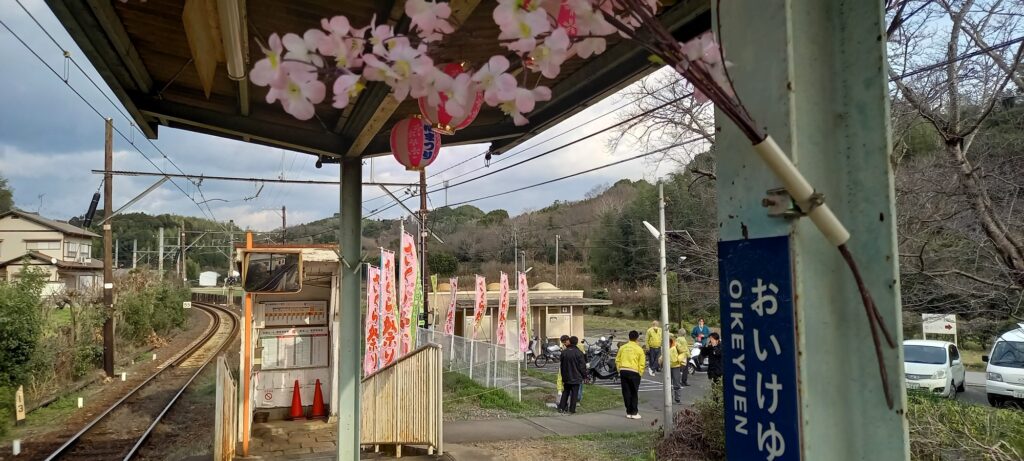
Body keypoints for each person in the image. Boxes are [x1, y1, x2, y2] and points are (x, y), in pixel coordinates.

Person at [615, 330, 646, 419]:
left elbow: (617, 359)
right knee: (634, 392)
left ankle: (628, 411)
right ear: (637, 338)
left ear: (629, 337)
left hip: (623, 370)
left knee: (626, 392)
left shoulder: (622, 347)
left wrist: (619, 369)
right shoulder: (639, 349)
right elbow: (642, 362)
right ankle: (634, 412)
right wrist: (640, 372)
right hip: (634, 371)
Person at [558, 335, 587, 414]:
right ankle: (572, 409)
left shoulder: (564, 352)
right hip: (576, 376)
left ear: (569, 341)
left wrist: (563, 376)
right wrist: (585, 376)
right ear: (577, 342)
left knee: (565, 392)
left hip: (566, 376)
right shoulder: (579, 353)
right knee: (574, 394)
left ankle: (561, 407)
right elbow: (582, 366)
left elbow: (562, 366)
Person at [661, 337, 686, 404]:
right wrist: (660, 361)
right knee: (667, 384)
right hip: (667, 367)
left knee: (676, 383)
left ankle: (677, 399)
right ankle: (669, 399)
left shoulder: (676, 346)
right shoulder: (664, 347)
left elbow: (683, 353)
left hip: (676, 366)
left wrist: (679, 358)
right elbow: (662, 355)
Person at [570, 335, 586, 403]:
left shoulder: (566, 352)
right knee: (579, 387)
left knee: (570, 387)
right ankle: (577, 400)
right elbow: (582, 365)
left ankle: (572, 399)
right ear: (577, 342)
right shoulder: (580, 352)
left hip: (569, 373)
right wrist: (584, 375)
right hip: (578, 373)